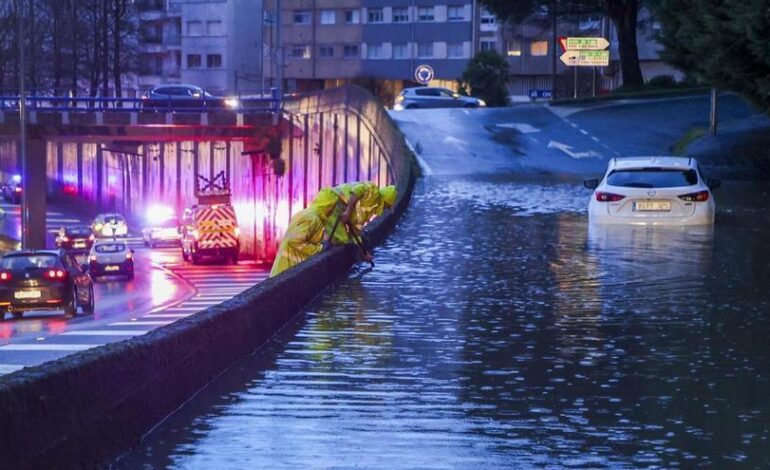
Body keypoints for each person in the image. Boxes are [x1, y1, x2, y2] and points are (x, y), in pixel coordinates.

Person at [269, 182, 398, 277]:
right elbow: (357, 191)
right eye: (387, 206)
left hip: (288, 265)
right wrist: (347, 211)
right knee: (339, 239)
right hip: (336, 203)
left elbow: (355, 231)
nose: (385, 209)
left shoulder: (309, 217)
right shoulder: (373, 192)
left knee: (341, 239)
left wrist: (363, 252)